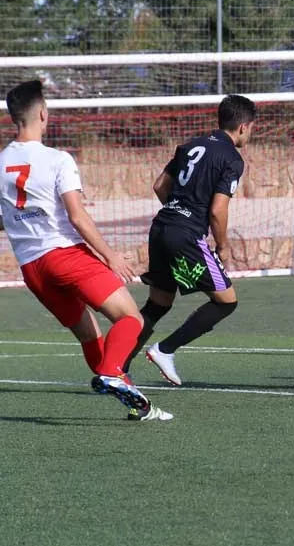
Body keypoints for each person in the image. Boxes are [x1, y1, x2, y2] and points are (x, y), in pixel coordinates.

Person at [0, 80, 172, 421]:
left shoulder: (1, 162)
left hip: (33, 269)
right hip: (65, 256)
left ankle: (137, 403)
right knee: (130, 318)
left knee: (90, 336)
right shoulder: (57, 159)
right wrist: (110, 255)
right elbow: (77, 217)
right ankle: (111, 373)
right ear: (43, 113)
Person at [123, 94, 255, 386]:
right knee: (226, 302)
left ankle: (117, 366)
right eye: (252, 129)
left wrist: (178, 212)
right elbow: (218, 210)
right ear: (243, 127)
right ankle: (165, 349)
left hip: (161, 228)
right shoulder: (232, 158)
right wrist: (222, 245)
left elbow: (160, 186)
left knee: (158, 304)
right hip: (185, 236)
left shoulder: (191, 145)